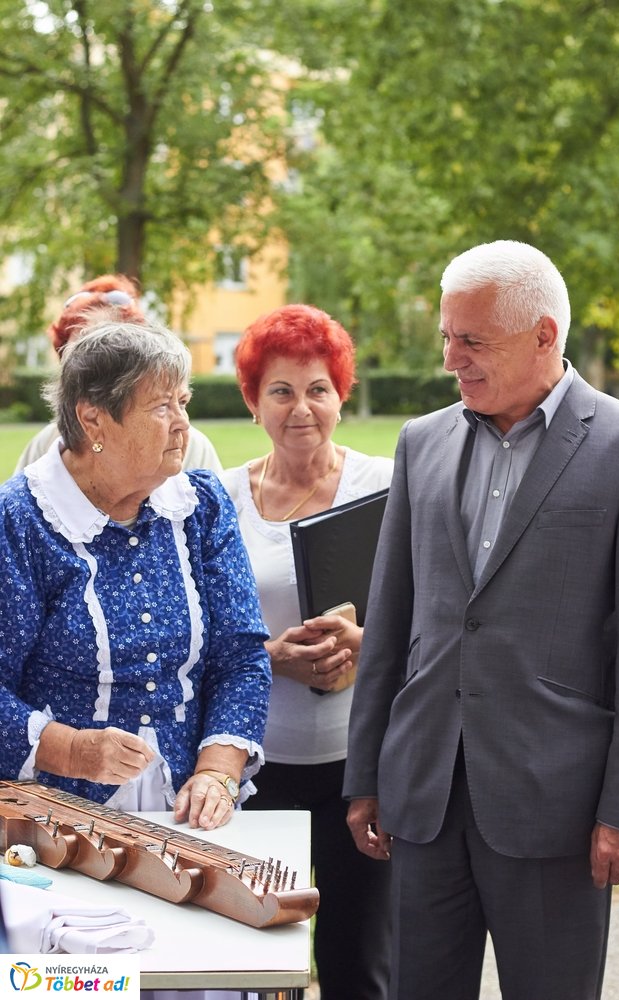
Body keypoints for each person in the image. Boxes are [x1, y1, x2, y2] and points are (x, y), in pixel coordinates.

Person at [343, 240, 619, 1000]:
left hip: (555, 806)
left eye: (473, 341)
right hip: (423, 798)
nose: (452, 359)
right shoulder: (420, 442)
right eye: (447, 337)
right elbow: (389, 622)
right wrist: (366, 774)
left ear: (545, 335)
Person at [0, 318, 271, 831]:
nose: (182, 425)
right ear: (94, 421)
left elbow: (241, 656)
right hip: (56, 822)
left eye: (183, 403)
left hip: (189, 819)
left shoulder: (201, 505)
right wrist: (71, 750)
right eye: (161, 406)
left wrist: (218, 773)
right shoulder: (20, 520)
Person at [220, 304, 393, 1000]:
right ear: (253, 402)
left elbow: (435, 622)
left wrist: (367, 646)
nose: (301, 408)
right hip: (259, 771)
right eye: (281, 391)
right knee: (262, 969)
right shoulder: (221, 499)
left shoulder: (387, 484)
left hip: (364, 768)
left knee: (361, 963)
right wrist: (273, 657)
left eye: (318, 388)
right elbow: (199, 640)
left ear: (341, 395)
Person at [14, 274, 223, 477]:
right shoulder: (47, 445)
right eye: (79, 350)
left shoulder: (188, 447)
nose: (94, 362)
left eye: (111, 349)